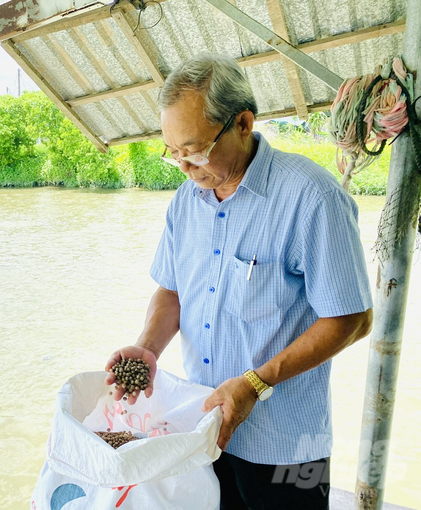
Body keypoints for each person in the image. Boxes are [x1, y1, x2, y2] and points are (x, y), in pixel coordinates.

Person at [104, 53, 373, 509]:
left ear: (243, 123)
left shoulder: (312, 198)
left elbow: (351, 319)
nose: (186, 168)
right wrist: (148, 348)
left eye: (195, 149)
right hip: (205, 429)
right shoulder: (186, 201)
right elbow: (172, 289)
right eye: (174, 153)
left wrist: (256, 383)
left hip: (287, 445)